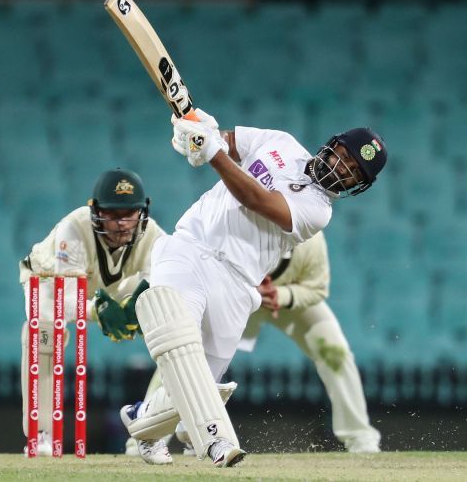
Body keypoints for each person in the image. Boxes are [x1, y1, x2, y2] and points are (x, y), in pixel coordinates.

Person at [118, 108, 387, 468]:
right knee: (180, 340)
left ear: (357, 186)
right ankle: (216, 439)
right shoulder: (282, 142)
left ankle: (144, 421)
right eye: (345, 158)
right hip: (191, 248)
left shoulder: (318, 211)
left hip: (238, 283)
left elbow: (258, 200)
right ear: (332, 145)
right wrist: (199, 132)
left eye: (354, 172)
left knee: (201, 377)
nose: (343, 169)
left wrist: (210, 151)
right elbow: (228, 141)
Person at [125, 232, 381, 457]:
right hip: (232, 296)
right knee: (182, 348)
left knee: (335, 353)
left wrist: (280, 295)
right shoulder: (238, 226)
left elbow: (317, 288)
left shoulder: (309, 238)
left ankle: (360, 437)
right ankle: (147, 437)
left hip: (283, 298)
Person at [18, 168, 167, 459]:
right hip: (48, 282)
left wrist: (135, 312)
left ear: (142, 211)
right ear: (96, 211)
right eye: (113, 214)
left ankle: (149, 433)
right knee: (45, 329)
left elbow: (163, 285)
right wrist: (100, 312)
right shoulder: (72, 229)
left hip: (110, 285)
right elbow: (68, 300)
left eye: (129, 214)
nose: (122, 224)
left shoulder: (153, 235)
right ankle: (41, 433)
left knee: (170, 326)